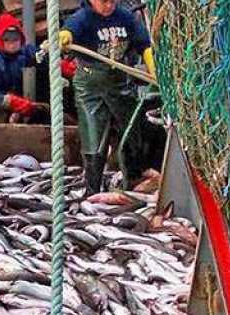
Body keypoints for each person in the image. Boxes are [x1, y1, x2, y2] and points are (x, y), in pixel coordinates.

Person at [60, 0, 162, 195]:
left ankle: (133, 178)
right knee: (94, 136)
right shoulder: (83, 18)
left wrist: (153, 67)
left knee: (132, 129)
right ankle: (92, 188)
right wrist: (64, 36)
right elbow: (70, 30)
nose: (108, 5)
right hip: (90, 85)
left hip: (119, 81)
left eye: (112, 0)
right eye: (103, 1)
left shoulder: (124, 17)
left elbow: (143, 44)